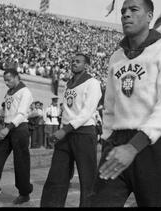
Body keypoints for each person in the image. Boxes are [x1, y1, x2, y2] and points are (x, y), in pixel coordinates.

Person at [89, 0, 161, 207]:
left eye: (133, 9)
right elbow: (110, 105)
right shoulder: (116, 57)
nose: (126, 15)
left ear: (149, 16)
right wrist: (107, 140)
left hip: (153, 143)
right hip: (119, 141)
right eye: (123, 11)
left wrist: (134, 147)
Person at [40, 53, 102, 207]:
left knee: (88, 177)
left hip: (84, 133)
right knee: (57, 174)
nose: (74, 63)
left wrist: (64, 129)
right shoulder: (68, 83)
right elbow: (67, 111)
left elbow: (87, 112)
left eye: (78, 61)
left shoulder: (93, 83)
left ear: (86, 65)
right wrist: (62, 129)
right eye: (72, 61)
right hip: (66, 133)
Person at [0, 68, 33, 205]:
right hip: (7, 128)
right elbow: (8, 110)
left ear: (17, 77)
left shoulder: (25, 92)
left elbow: (21, 114)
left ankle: (24, 193)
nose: (6, 83)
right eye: (5, 81)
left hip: (19, 129)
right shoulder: (9, 92)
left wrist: (8, 128)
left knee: (21, 163)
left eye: (9, 80)